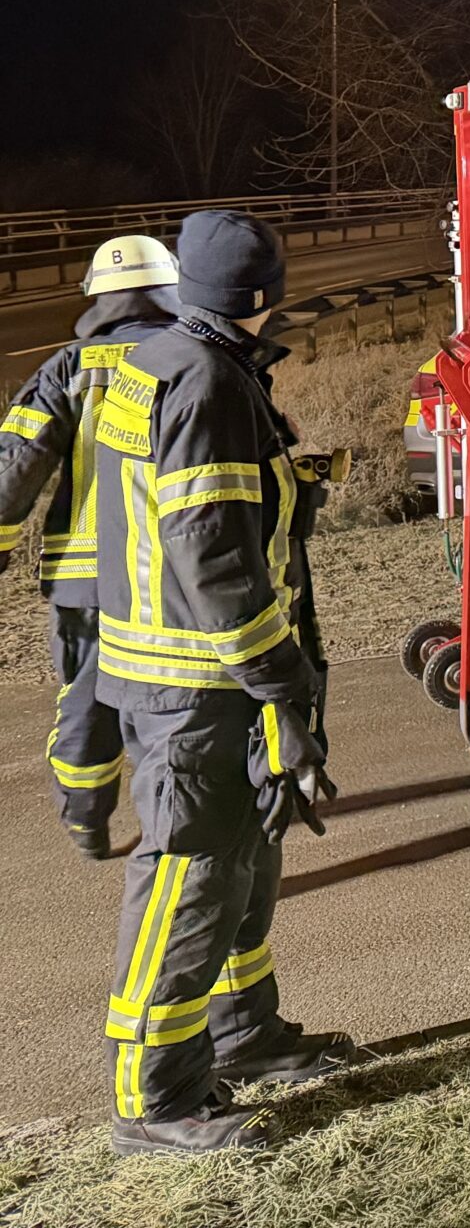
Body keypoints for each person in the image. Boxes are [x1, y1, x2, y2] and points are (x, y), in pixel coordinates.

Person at [89, 211, 353, 1154]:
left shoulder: (163, 359)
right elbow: (213, 556)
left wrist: (287, 484)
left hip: (180, 674)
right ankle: (154, 1100)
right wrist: (282, 685)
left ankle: (243, 1034)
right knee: (192, 880)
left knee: (243, 862)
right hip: (200, 687)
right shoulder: (208, 381)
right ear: (264, 294)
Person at [0, 235, 181, 856]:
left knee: (86, 699)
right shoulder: (199, 357)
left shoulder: (70, 366)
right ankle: (175, 825)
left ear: (97, 297)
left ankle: (86, 821)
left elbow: (16, 465)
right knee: (174, 702)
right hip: (175, 575)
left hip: (87, 578)